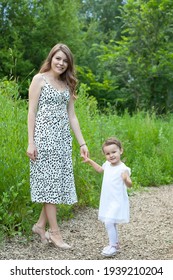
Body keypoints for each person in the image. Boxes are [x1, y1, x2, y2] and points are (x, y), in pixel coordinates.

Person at [26, 43, 88, 249]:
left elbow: (72, 115)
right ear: (51, 58)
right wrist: (31, 142)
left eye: (65, 60)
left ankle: (40, 225)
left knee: (55, 186)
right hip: (43, 142)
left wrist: (82, 143)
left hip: (62, 142)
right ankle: (55, 233)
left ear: (69, 64)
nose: (61, 63)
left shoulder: (68, 84)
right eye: (58, 58)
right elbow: (31, 112)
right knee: (49, 186)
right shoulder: (39, 80)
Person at [83, 137, 132, 257]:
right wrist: (89, 161)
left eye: (114, 152)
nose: (111, 155)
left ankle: (113, 246)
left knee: (109, 222)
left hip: (117, 200)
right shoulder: (107, 164)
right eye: (108, 153)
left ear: (121, 151)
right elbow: (100, 169)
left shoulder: (123, 168)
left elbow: (129, 184)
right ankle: (115, 242)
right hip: (108, 199)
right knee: (111, 221)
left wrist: (126, 179)